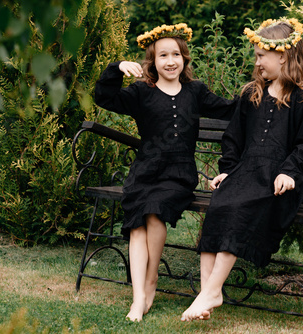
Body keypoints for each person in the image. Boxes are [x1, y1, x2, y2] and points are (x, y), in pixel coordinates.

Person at [94, 23, 237, 322]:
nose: (170, 61)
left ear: (184, 59)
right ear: (152, 61)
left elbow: (228, 109)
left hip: (178, 175)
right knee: (137, 222)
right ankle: (138, 298)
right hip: (144, 171)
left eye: (176, 54)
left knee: (154, 210)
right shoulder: (140, 92)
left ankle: (151, 280)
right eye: (163, 56)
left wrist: (260, 95)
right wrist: (116, 67)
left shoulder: (195, 91)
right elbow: (104, 97)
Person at [181, 17, 303, 321]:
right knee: (219, 205)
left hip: (278, 180)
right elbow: (233, 138)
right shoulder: (251, 94)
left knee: (240, 208)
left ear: (282, 55)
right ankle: (207, 294)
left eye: (260, 56)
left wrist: (289, 172)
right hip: (245, 173)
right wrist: (228, 170)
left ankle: (209, 294)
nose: (256, 62)